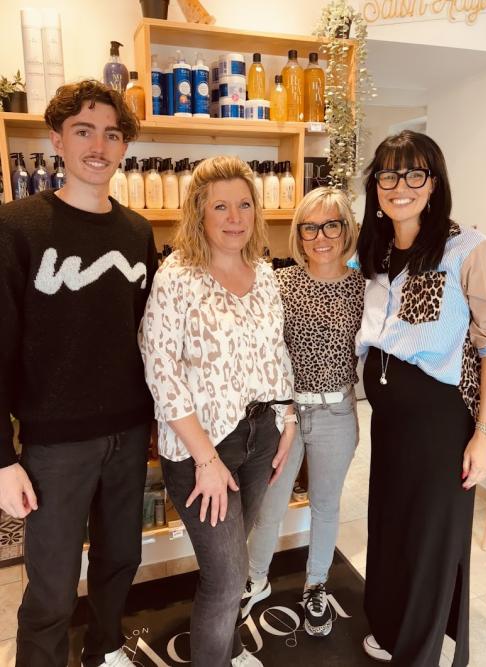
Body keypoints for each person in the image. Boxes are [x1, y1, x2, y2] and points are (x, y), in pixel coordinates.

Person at [0, 80, 158, 667]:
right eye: (83, 131)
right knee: (52, 584)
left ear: (124, 147)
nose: (98, 146)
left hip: (128, 435)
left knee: (121, 561)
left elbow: (145, 338)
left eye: (111, 135)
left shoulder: (137, 232)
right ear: (56, 141)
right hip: (54, 446)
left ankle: (105, 648)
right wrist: (2, 458)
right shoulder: (17, 226)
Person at [138, 155, 295, 667]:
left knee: (233, 563)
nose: (234, 217)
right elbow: (161, 370)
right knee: (227, 577)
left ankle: (227, 648)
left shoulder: (265, 275)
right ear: (199, 213)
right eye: (220, 206)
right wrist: (206, 459)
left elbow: (276, 353)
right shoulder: (177, 276)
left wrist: (288, 419)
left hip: (260, 436)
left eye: (244, 205)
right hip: (202, 447)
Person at [356, 130, 486, 666]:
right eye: (389, 175)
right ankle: (391, 627)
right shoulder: (375, 252)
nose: (401, 186)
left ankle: (418, 653)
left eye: (415, 173)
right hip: (390, 423)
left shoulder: (468, 249)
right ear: (376, 186)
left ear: (434, 184)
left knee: (431, 539)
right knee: (391, 525)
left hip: (441, 422)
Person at [241, 186, 365, 637]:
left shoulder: (363, 288)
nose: (320, 237)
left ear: (347, 229)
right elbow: (264, 350)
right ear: (298, 233)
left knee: (325, 505)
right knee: (269, 505)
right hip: (285, 415)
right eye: (310, 227)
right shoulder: (280, 283)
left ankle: (316, 584)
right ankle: (255, 578)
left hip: (337, 414)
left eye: (331, 225)